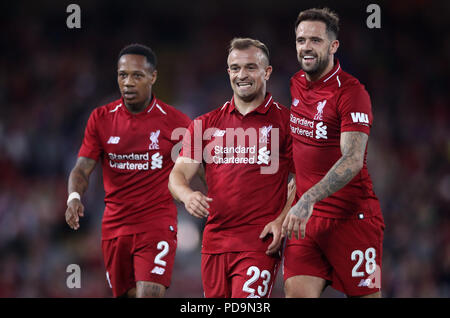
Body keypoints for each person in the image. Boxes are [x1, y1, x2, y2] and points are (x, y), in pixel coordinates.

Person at [168, 38, 295, 298]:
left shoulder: (287, 123)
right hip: (214, 245)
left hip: (259, 243)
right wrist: (187, 195)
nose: (242, 75)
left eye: (250, 67)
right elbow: (177, 175)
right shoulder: (204, 125)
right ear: (228, 73)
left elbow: (306, 178)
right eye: (235, 68)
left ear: (267, 72)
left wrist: (281, 221)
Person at [65, 43, 191, 298]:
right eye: (123, 75)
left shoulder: (176, 122)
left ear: (153, 77)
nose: (128, 82)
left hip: (157, 223)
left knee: (150, 293)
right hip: (115, 227)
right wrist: (74, 198)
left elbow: (203, 170)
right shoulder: (101, 118)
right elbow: (81, 168)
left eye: (137, 75)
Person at [281, 7, 385, 298]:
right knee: (296, 293)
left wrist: (309, 197)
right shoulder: (296, 84)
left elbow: (352, 159)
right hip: (307, 222)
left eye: (315, 40)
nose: (306, 47)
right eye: (301, 40)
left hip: (352, 219)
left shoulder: (352, 94)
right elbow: (304, 150)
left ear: (333, 45)